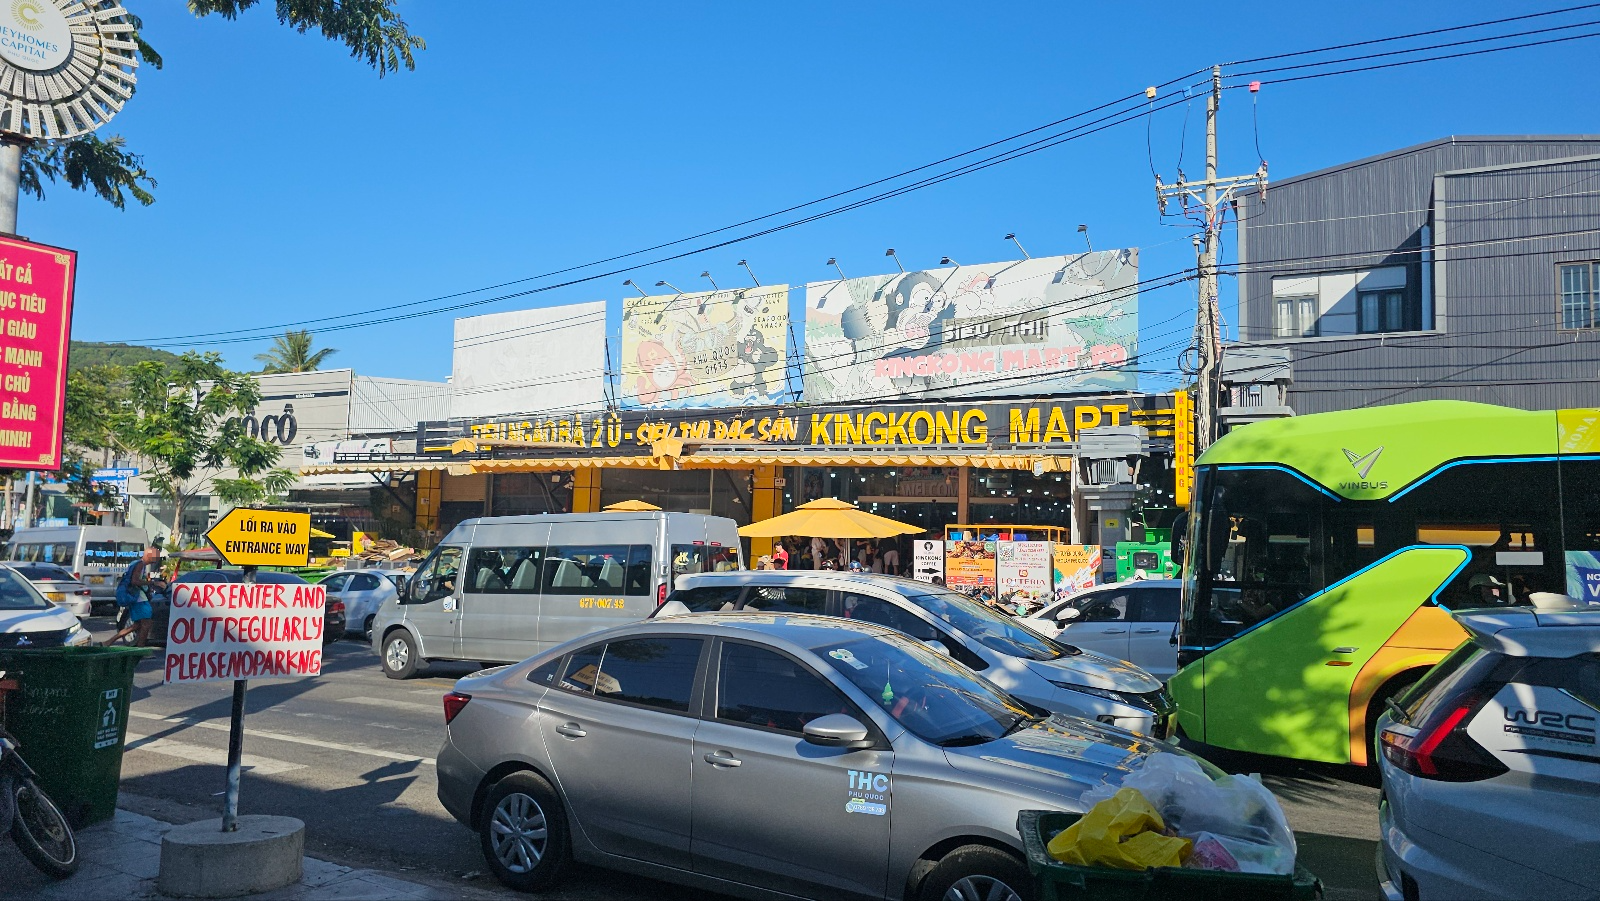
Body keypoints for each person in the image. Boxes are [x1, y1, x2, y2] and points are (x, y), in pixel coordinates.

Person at [108, 545, 165, 647]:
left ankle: (108, 642)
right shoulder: (140, 564)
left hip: (136, 597)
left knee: (137, 625)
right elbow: (135, 581)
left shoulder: (136, 564)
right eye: (156, 555)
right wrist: (152, 583)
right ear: (148, 555)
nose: (157, 558)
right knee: (146, 623)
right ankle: (141, 649)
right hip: (138, 599)